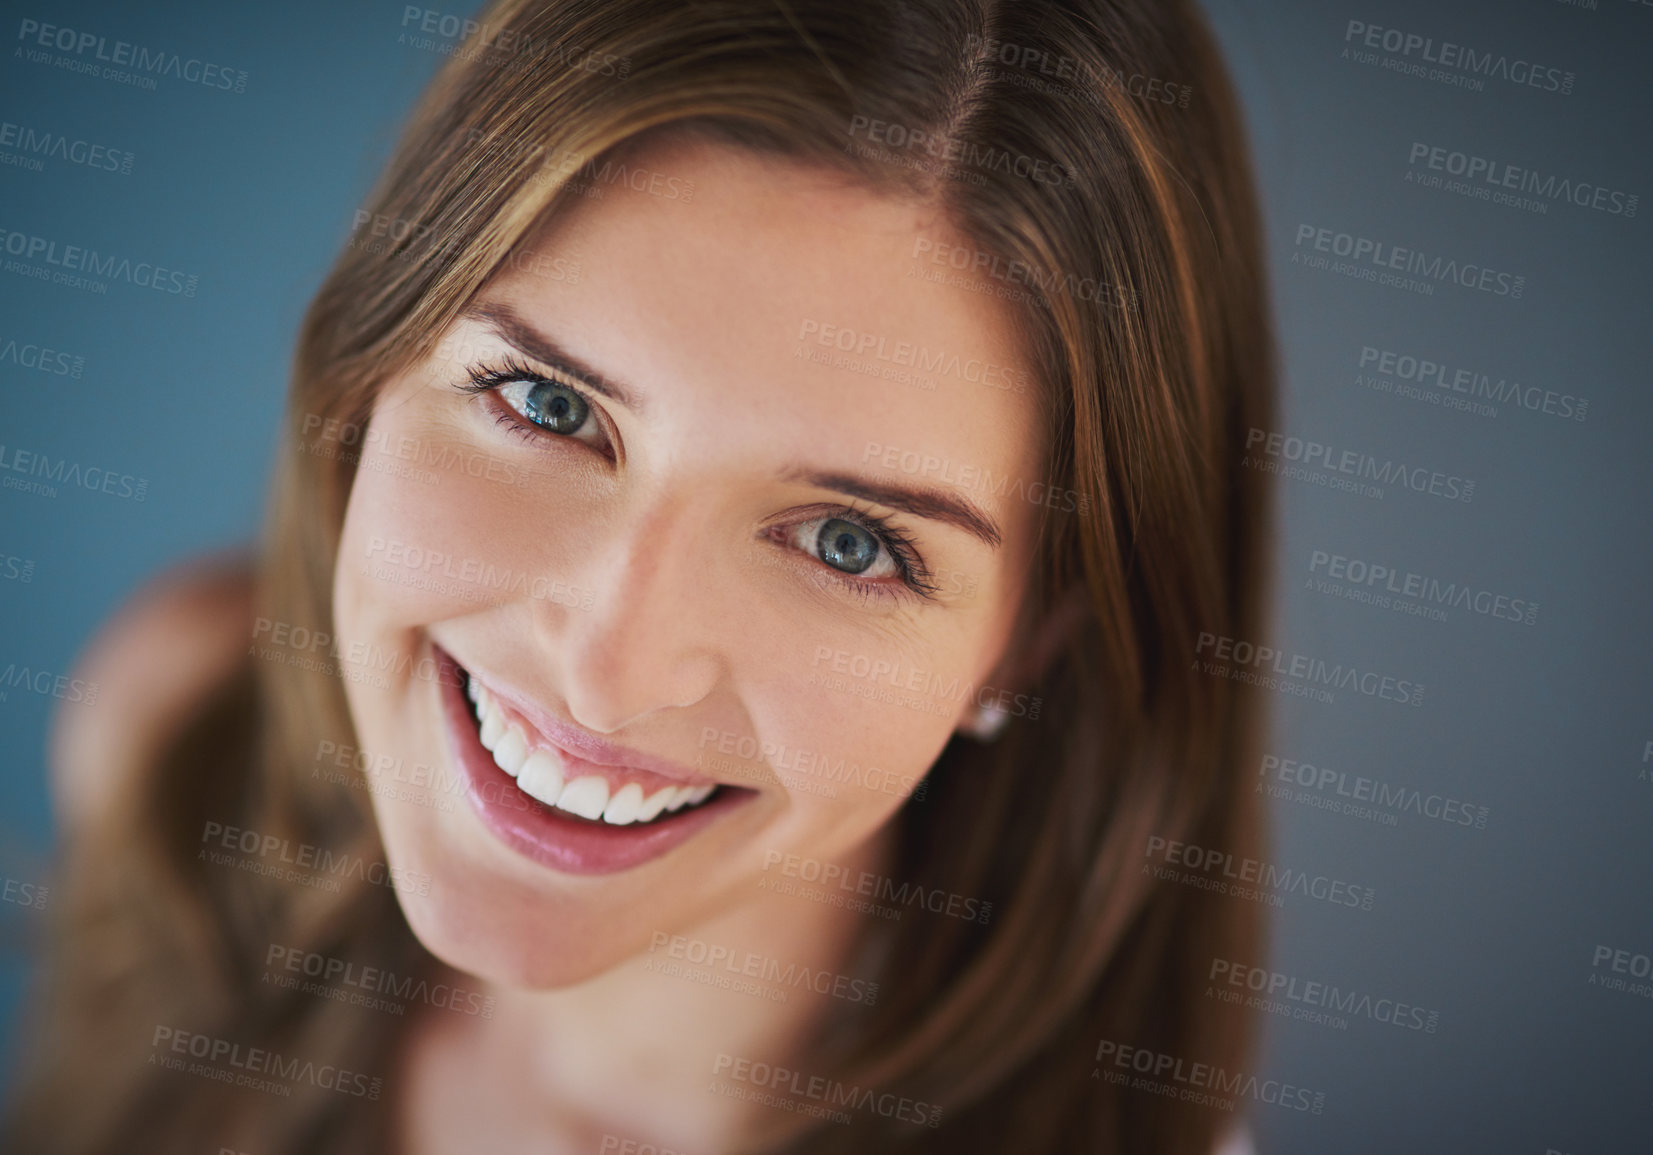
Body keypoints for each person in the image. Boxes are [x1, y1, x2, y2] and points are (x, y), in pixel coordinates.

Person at [4, 0, 1275, 1151]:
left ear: (1030, 641)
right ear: (371, 364)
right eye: (547, 405)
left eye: (851, 543)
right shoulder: (176, 725)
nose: (607, 674)